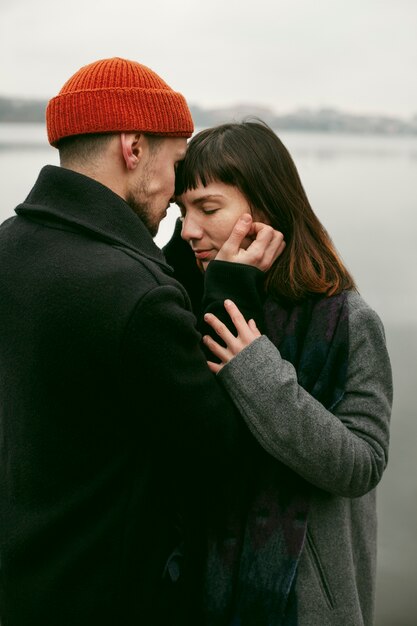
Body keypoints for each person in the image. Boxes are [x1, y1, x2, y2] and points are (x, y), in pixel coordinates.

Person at [0, 60, 286, 626]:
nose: (180, 189)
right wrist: (233, 290)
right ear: (134, 148)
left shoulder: (11, 245)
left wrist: (179, 256)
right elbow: (219, 453)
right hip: (107, 595)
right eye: (178, 163)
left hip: (23, 578)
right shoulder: (134, 293)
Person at [165, 121, 393, 626]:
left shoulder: (349, 320)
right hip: (204, 590)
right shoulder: (192, 300)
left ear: (264, 208)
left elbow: (361, 465)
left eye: (208, 208)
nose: (189, 230)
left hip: (304, 604)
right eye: (182, 211)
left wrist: (256, 371)